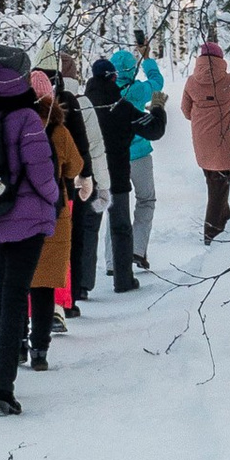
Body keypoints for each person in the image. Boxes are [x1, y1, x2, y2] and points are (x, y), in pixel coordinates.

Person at [0, 46, 60, 414]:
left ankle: (0, 375)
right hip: (26, 224)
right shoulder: (28, 120)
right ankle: (3, 388)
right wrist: (53, 200)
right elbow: (42, 174)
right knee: (16, 295)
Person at [24, 69, 89, 368]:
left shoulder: (17, 126)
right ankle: (40, 351)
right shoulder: (59, 131)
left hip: (19, 213)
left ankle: (18, 341)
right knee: (45, 285)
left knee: (19, 282)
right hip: (53, 211)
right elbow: (74, 166)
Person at [183, 32, 230, 240]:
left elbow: (185, 111)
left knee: (216, 186)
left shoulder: (191, 82)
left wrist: (203, 119)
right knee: (218, 191)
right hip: (225, 144)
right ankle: (211, 234)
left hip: (203, 145)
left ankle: (226, 227)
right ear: (220, 60)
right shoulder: (229, 81)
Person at [57, 47, 110, 307]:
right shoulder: (83, 102)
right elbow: (96, 148)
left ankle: (54, 295)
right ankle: (76, 291)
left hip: (51, 181)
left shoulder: (38, 98)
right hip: (80, 180)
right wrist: (104, 186)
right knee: (78, 236)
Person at [111, 33, 167, 267]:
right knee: (146, 200)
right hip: (140, 154)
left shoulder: (106, 93)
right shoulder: (139, 90)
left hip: (115, 156)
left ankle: (112, 260)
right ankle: (137, 248)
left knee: (115, 206)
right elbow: (157, 82)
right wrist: (147, 58)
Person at [85, 56, 140, 289]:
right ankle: (123, 280)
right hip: (117, 178)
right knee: (120, 228)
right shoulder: (122, 107)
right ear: (113, 77)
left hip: (91, 180)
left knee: (88, 231)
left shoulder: (84, 106)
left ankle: (82, 285)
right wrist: (158, 107)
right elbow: (153, 129)